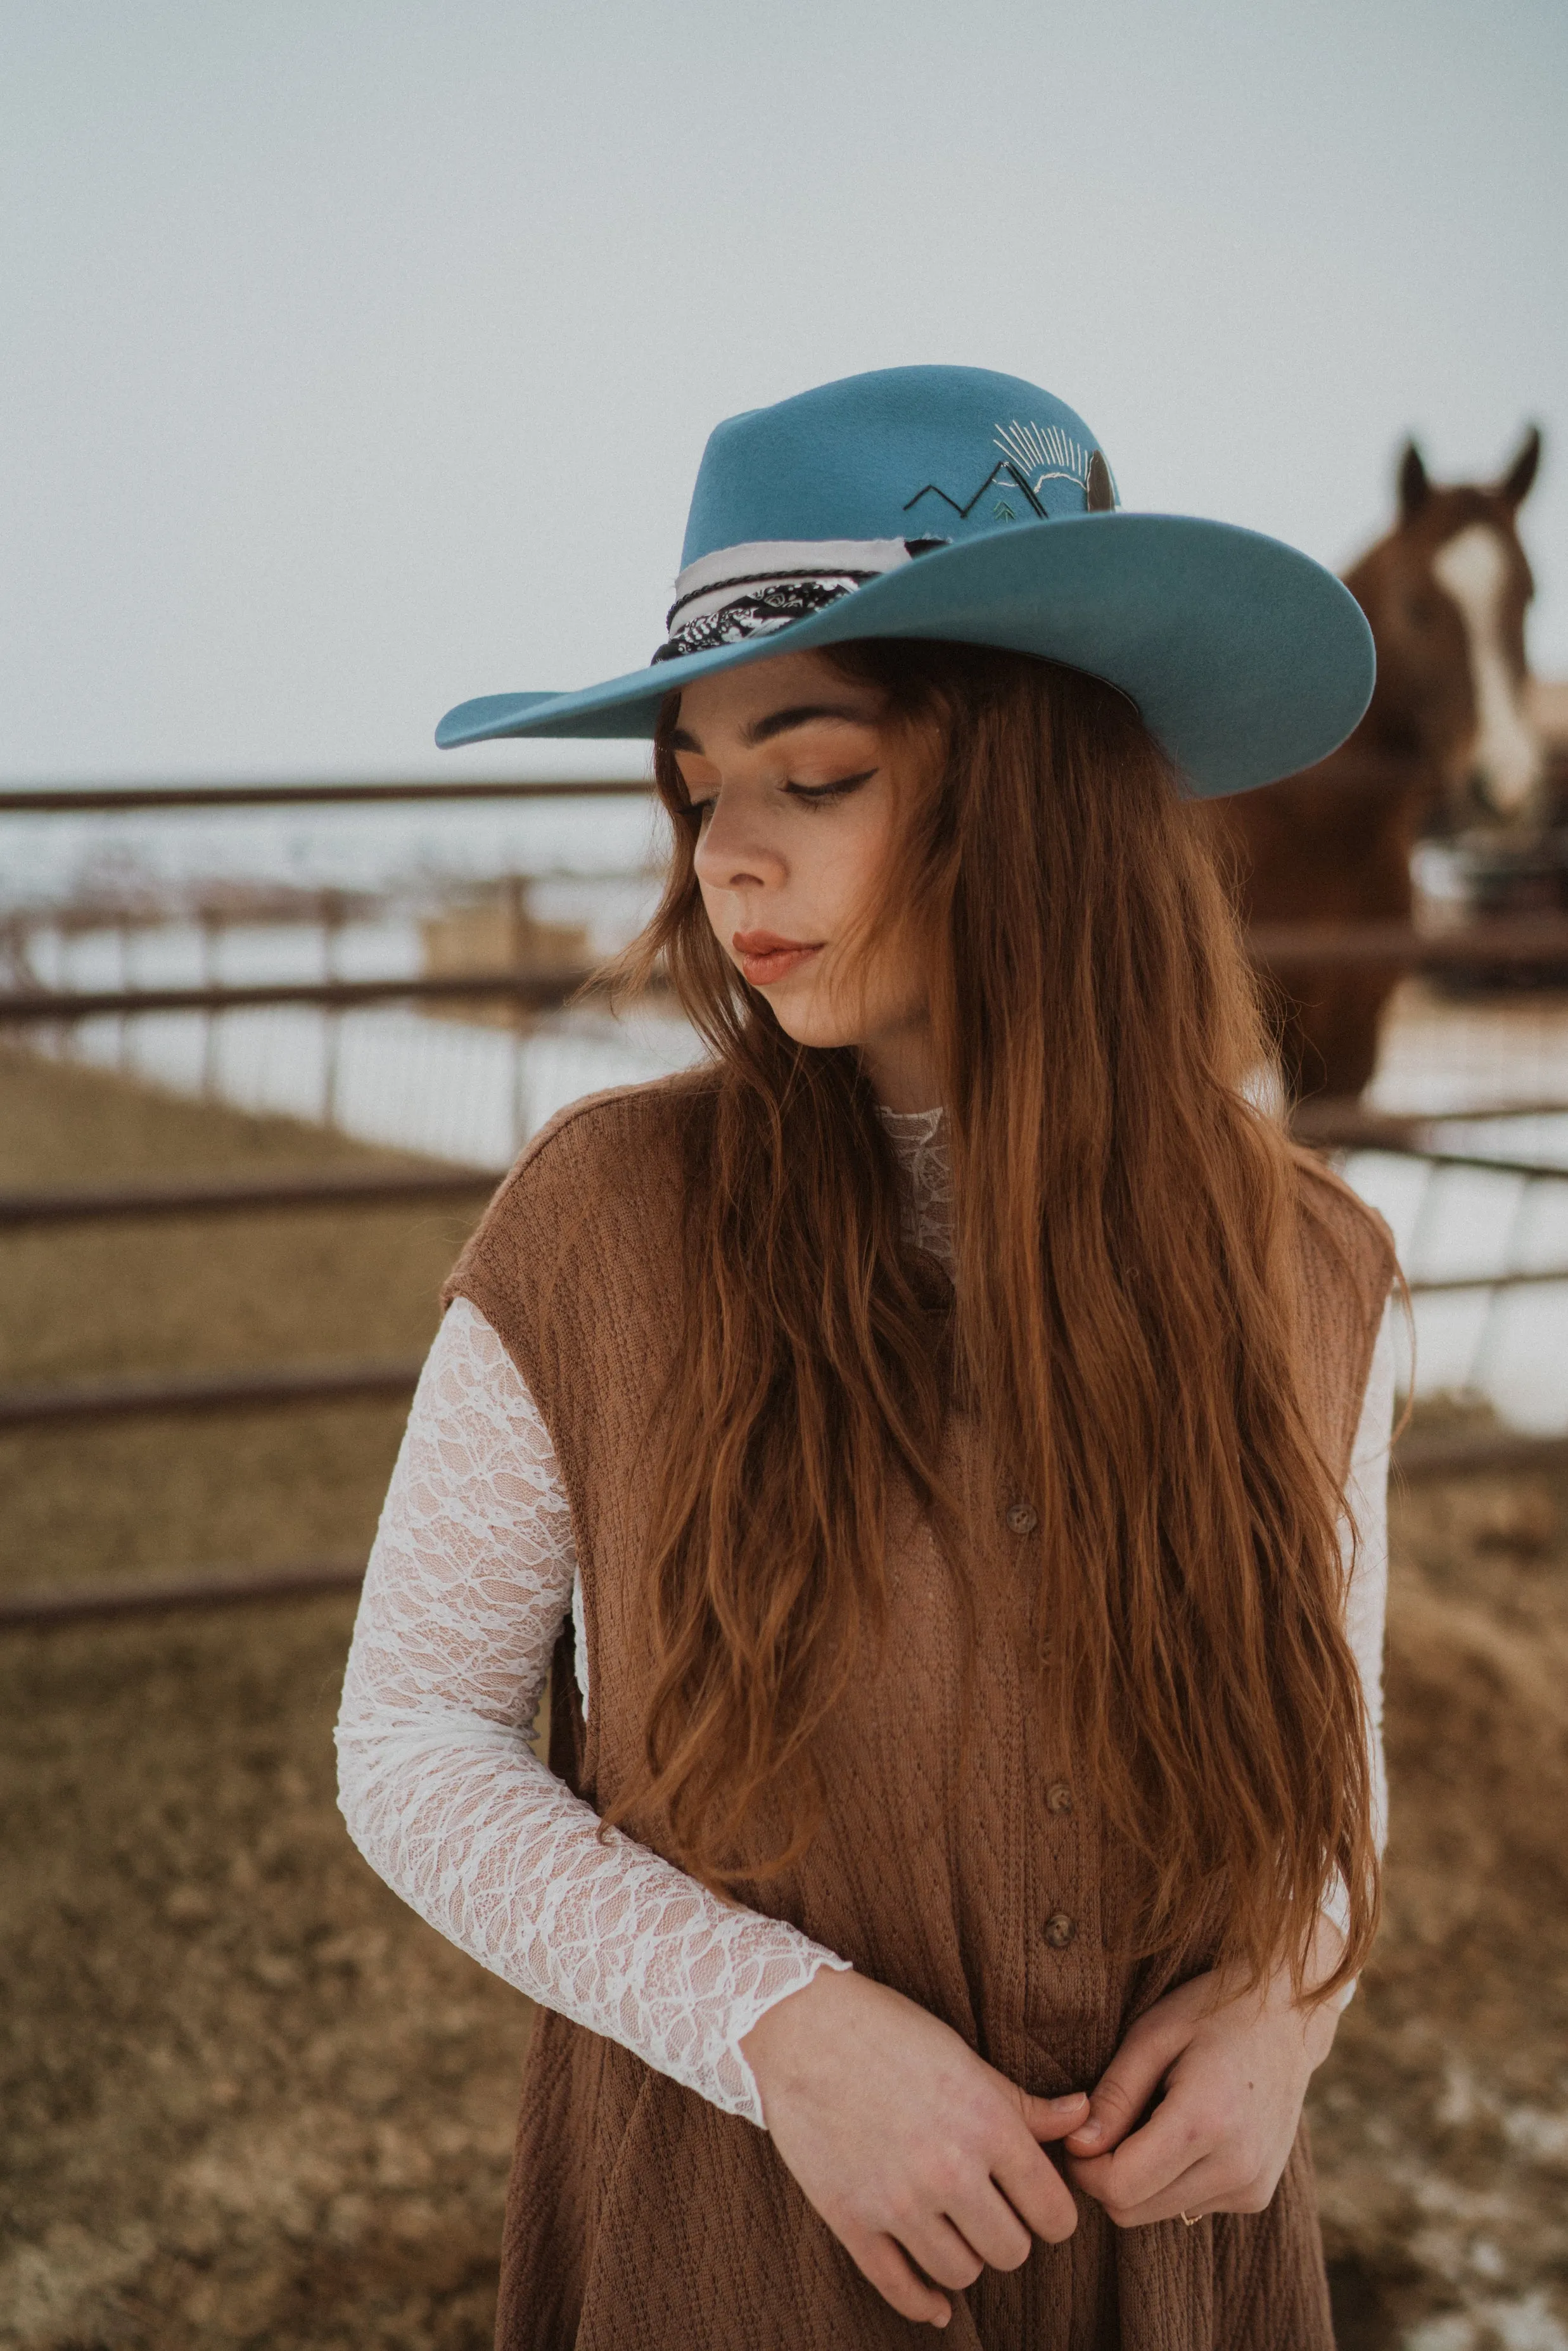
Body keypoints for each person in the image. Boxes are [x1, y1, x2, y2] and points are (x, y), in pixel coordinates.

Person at [336, 366, 1397, 2349]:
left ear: (1034, 781)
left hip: (1181, 2290)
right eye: (696, 783)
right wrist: (780, 2026)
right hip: (733, 2269)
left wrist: (1289, 2007)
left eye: (810, 776)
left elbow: (1340, 1770)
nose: (727, 853)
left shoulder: (1315, 1269)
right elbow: (410, 1745)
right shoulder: (599, 1229)